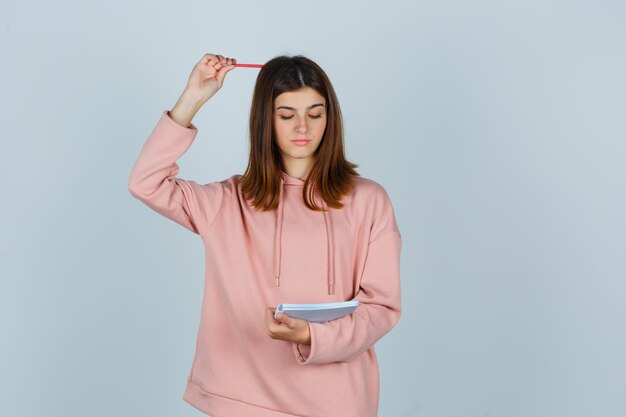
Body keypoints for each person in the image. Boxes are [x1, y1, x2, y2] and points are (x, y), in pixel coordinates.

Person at [128, 53, 402, 417]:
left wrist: (311, 336)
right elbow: (146, 183)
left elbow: (381, 308)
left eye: (315, 114)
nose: (302, 127)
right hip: (243, 402)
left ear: (330, 118)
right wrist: (192, 99)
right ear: (265, 120)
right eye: (286, 114)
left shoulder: (369, 200)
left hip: (338, 403)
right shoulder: (227, 203)